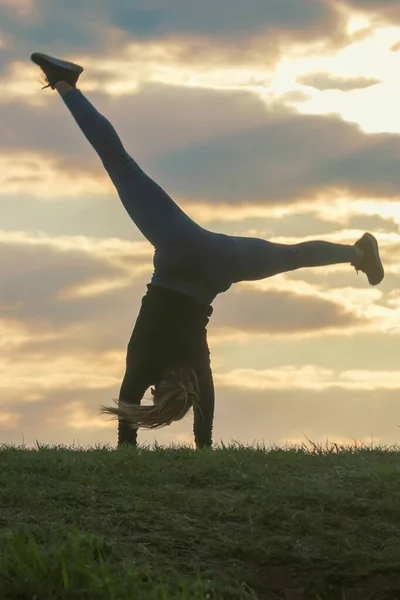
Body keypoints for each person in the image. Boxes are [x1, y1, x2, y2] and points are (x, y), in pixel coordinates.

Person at [30, 52, 385, 450]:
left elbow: (207, 410)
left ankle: (357, 253)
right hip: (181, 251)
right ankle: (65, 84)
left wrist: (204, 446)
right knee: (121, 166)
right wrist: (129, 446)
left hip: (220, 263)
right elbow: (128, 408)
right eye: (155, 396)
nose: (147, 394)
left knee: (292, 255)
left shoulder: (196, 367)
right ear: (161, 388)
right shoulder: (145, 362)